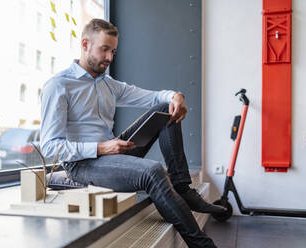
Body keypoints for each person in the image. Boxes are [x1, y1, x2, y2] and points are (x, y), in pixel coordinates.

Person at [40, 18, 225, 248]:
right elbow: (49, 146)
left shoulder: (108, 85)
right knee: (153, 171)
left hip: (112, 153)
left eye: (113, 51)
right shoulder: (59, 86)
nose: (109, 57)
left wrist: (175, 96)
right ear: (85, 43)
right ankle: (203, 245)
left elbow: (155, 97)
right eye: (104, 49)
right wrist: (101, 148)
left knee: (164, 110)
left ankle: (182, 187)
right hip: (83, 164)